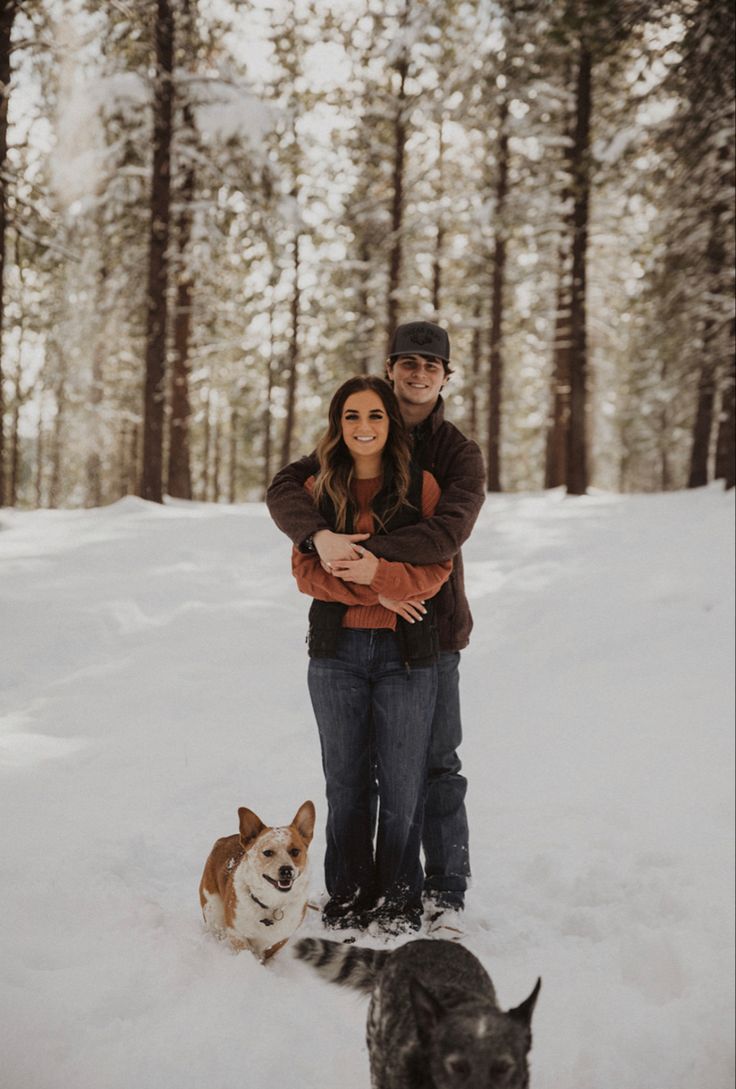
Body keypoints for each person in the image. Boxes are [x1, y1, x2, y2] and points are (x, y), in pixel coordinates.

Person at [268, 321, 486, 931]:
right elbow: (287, 488)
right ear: (391, 369)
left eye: (431, 365)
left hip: (430, 629)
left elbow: (445, 535)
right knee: (356, 775)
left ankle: (443, 888)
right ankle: (357, 891)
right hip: (351, 635)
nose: (418, 373)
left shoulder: (455, 454)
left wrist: (373, 565)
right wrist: (319, 536)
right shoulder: (356, 433)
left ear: (445, 377)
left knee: (431, 766)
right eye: (408, 362)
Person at [290, 375, 451, 934]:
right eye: (352, 416)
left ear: (390, 423)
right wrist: (380, 590)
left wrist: (382, 574)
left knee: (405, 783)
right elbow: (306, 572)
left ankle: (400, 901)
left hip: (408, 655)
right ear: (338, 424)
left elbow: (438, 565)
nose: (363, 427)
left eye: (375, 416)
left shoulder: (421, 486)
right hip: (336, 653)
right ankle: (350, 895)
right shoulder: (318, 489)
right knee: (346, 781)